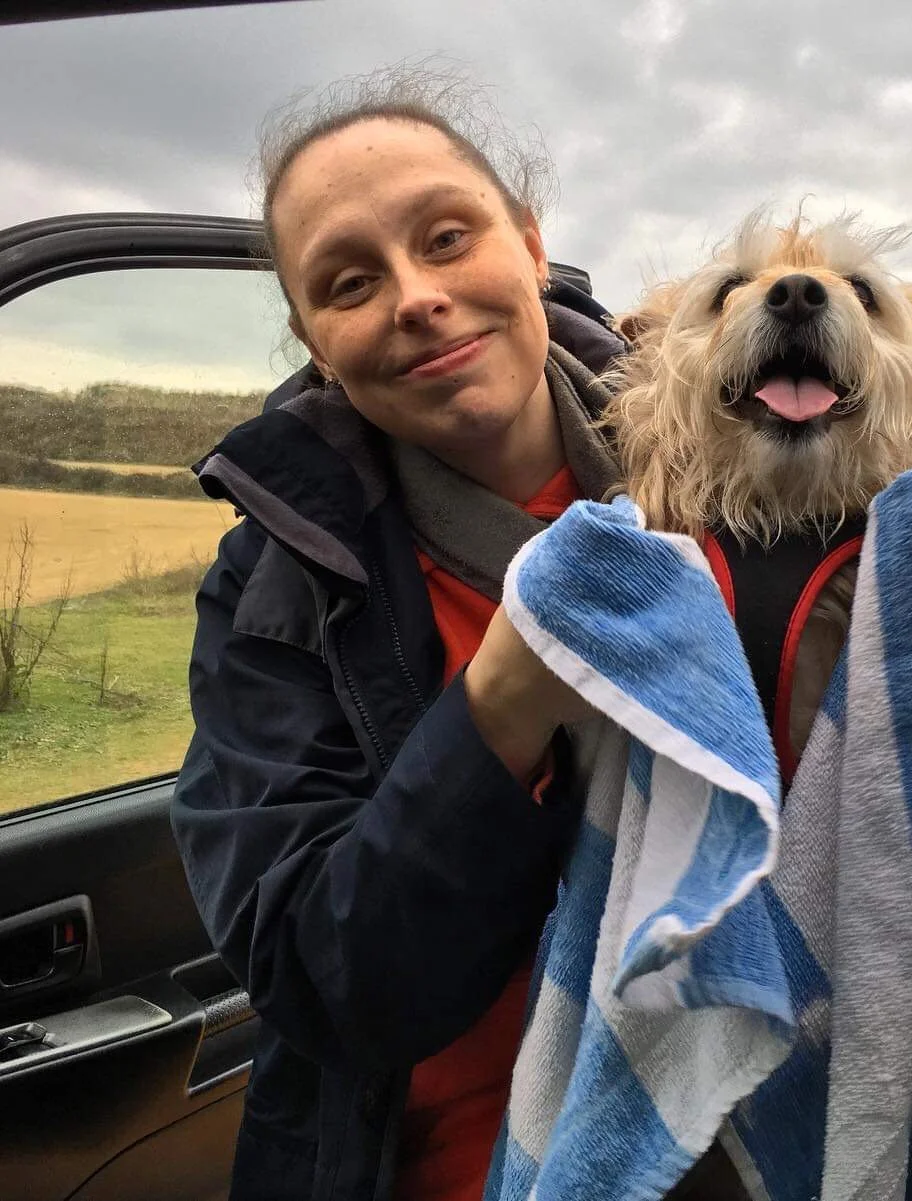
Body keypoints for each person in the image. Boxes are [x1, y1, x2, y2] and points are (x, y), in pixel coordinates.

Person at [170, 68, 629, 1201]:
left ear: (530, 244)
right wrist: (505, 702)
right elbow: (322, 982)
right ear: (313, 340)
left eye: (447, 236)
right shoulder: (275, 587)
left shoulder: (737, 481)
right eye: (349, 281)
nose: (415, 296)